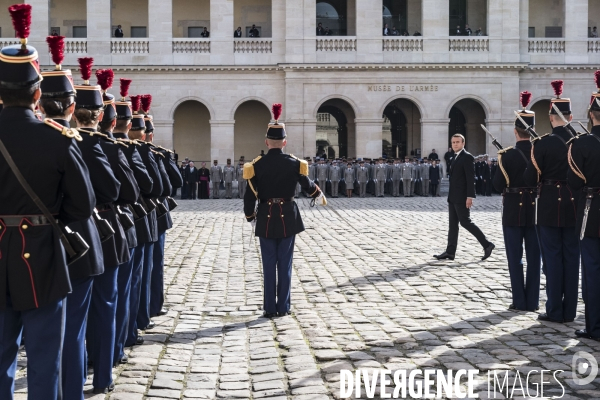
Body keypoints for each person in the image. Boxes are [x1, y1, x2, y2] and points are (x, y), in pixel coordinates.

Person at [0, 5, 95, 397]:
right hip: (41, 256)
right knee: (43, 361)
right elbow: (83, 205)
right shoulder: (57, 138)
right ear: (38, 94)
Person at [243, 104, 322, 318]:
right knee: (285, 264)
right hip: (288, 215)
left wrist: (250, 216)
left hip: (265, 217)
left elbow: (250, 194)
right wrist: (317, 193)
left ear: (267, 142)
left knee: (269, 264)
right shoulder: (295, 164)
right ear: (285, 142)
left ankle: (269, 307)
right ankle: (284, 307)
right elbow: (307, 185)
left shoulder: (256, 165)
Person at [525, 80, 579, 323]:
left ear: (551, 117)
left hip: (548, 205)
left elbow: (531, 177)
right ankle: (570, 312)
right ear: (570, 116)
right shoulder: (581, 141)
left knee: (553, 258)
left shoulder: (542, 144)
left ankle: (555, 310)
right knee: (572, 257)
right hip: (576, 205)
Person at [112, 82, 153, 352]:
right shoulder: (132, 151)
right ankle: (120, 340)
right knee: (124, 286)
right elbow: (154, 186)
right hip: (127, 223)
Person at [492, 92, 540, 312]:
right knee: (534, 256)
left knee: (515, 257)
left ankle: (519, 301)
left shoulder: (506, 155)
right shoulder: (540, 152)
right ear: (531, 131)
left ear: (515, 131)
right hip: (536, 208)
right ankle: (533, 301)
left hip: (512, 209)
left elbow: (497, 185)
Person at [569, 71, 600, 340]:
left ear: (591, 114)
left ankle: (595, 326)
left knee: (592, 270)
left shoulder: (583, 144)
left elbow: (573, 181)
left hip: (591, 213)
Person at [434, 134, 495, 261]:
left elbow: (470, 178)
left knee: (465, 222)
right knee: (452, 225)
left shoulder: (467, 157)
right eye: (453, 142)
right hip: (453, 197)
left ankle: (487, 244)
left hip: (462, 197)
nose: (455, 144)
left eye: (457, 142)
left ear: (463, 143)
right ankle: (450, 252)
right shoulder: (455, 157)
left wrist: (470, 196)